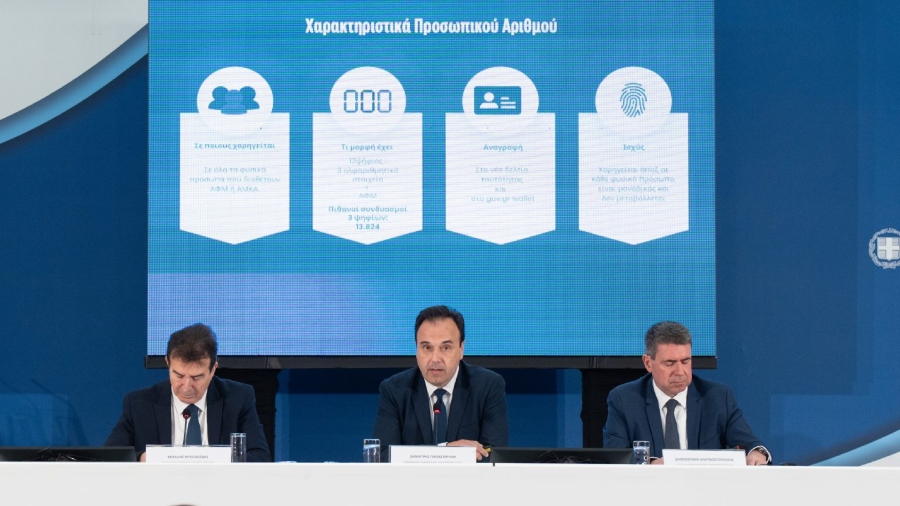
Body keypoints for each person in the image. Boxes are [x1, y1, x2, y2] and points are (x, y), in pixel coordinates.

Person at [603, 321, 771, 465]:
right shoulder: (624, 400)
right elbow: (616, 457)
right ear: (648, 363)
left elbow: (750, 443)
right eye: (670, 363)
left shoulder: (717, 397)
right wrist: (650, 464)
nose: (680, 371)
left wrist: (756, 453)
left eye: (685, 361)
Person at [105, 323, 271, 462]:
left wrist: (215, 459)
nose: (186, 387)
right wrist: (142, 458)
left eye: (196, 377)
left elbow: (260, 457)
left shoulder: (238, 398)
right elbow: (108, 458)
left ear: (213, 369)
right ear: (167, 363)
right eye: (178, 375)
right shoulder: (139, 404)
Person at [372, 305, 508, 461]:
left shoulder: (488, 386)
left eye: (446, 348)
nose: (435, 359)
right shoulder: (395, 390)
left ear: (461, 349)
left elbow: (494, 453)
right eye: (427, 347)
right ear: (416, 349)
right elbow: (382, 455)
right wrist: (447, 451)